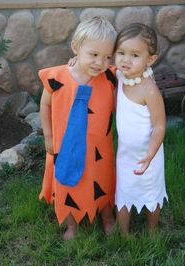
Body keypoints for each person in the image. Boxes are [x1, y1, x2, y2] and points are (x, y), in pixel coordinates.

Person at [39, 17, 117, 240]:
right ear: (76, 48)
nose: (99, 62)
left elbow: (131, 70)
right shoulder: (58, 78)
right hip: (65, 145)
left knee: (102, 179)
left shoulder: (109, 76)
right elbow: (45, 104)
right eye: (93, 55)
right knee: (66, 181)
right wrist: (48, 136)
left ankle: (106, 216)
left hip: (99, 150)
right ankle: (70, 224)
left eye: (106, 57)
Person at [114, 23, 168, 234]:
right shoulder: (120, 77)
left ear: (150, 59)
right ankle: (123, 232)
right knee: (124, 190)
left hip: (149, 154)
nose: (126, 60)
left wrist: (151, 154)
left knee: (150, 191)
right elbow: (94, 66)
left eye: (134, 55)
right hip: (125, 154)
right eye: (121, 53)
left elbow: (159, 125)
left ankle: (153, 229)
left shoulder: (149, 89)